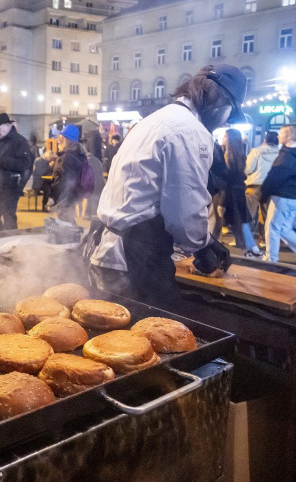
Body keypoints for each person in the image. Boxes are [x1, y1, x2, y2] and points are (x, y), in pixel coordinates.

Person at [86, 64, 246, 307]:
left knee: (114, 332)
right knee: (154, 333)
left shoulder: (156, 119)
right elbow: (184, 208)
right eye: (229, 115)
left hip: (110, 248)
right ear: (220, 103)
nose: (224, 122)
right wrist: (202, 244)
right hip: (135, 256)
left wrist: (204, 241)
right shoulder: (190, 131)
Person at [0, 112, 33, 231]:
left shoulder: (20, 141)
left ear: (7, 126)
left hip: (11, 186)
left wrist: (0, 158)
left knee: (9, 217)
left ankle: (11, 242)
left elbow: (24, 164)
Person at [221, 129, 262, 257]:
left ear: (230, 139)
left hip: (231, 193)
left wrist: (222, 202)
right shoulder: (240, 154)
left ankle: (253, 249)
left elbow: (228, 179)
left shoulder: (228, 156)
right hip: (239, 192)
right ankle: (251, 249)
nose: (223, 138)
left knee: (238, 222)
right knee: (240, 222)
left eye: (225, 136)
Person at [261, 124, 296, 262]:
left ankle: (271, 258)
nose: (278, 136)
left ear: (289, 136)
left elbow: (274, 176)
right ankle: (271, 257)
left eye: (281, 133)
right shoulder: (290, 154)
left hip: (282, 196)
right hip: (291, 197)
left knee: (273, 228)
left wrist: (263, 194)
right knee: (284, 229)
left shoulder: (287, 155)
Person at [50, 125, 91, 225]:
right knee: (68, 222)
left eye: (60, 139)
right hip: (73, 197)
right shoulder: (79, 155)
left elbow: (66, 183)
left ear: (67, 141)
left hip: (65, 199)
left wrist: (60, 202)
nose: (58, 141)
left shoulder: (67, 158)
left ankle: (74, 236)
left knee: (65, 225)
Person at [245, 130, 280, 238]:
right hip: (272, 187)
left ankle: (247, 239)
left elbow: (248, 168)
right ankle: (265, 238)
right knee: (267, 214)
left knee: (249, 213)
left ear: (265, 139)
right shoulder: (280, 153)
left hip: (254, 185)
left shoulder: (256, 151)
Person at [81, 144, 105, 219]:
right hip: (100, 184)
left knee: (84, 195)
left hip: (90, 184)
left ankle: (84, 214)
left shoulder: (84, 161)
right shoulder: (97, 160)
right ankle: (91, 214)